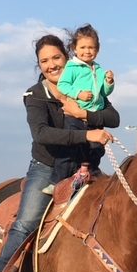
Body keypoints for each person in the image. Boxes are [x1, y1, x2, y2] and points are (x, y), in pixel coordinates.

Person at [0, 34, 119, 272]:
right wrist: (88, 132)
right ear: (39, 66)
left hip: (85, 166)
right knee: (27, 220)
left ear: (68, 58)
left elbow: (113, 117)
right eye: (44, 61)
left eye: (56, 58)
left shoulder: (87, 85)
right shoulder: (35, 95)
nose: (51, 65)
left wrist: (86, 114)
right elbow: (42, 134)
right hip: (47, 167)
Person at [43, 24, 115, 194]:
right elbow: (63, 85)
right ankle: (57, 181)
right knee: (71, 149)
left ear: (97, 50)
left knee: (97, 148)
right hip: (74, 117)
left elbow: (104, 93)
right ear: (74, 49)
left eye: (91, 47)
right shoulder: (72, 67)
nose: (87, 51)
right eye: (82, 47)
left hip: (92, 115)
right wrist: (79, 94)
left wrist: (109, 83)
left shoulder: (98, 69)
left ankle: (90, 171)